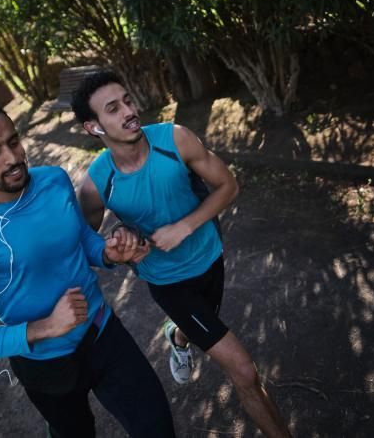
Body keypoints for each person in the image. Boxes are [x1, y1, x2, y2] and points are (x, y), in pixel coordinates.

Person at [72, 71, 292, 438]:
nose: (129, 111)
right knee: (244, 372)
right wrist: (119, 242)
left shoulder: (174, 139)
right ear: (93, 127)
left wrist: (186, 226)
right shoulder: (97, 184)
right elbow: (87, 243)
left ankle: (178, 337)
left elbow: (228, 185)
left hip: (210, 258)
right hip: (169, 283)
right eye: (114, 108)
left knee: (201, 325)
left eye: (127, 100)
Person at [0, 101, 175, 438]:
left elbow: (81, 239)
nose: (12, 157)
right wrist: (43, 328)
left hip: (102, 332)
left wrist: (109, 253)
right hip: (44, 366)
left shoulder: (53, 180)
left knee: (157, 426)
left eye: (13, 142)